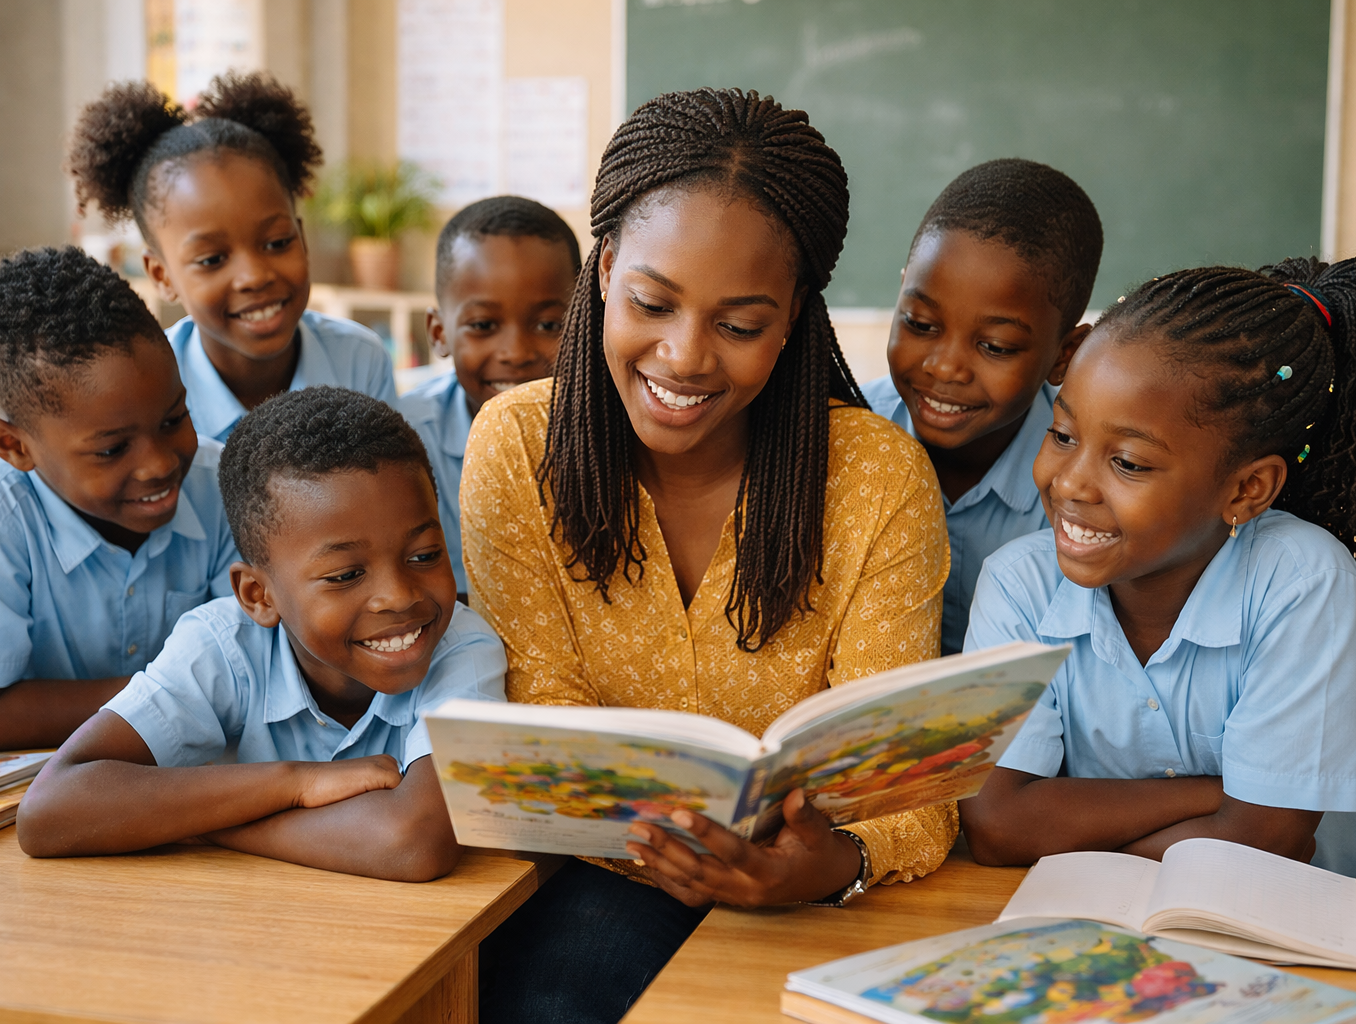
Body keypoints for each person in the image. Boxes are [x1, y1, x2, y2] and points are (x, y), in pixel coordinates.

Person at [463, 88, 950, 1023]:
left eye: (739, 325)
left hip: (814, 895)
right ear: (606, 269)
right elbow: (542, 721)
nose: (685, 357)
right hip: (601, 882)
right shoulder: (518, 447)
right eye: (653, 303)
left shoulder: (878, 479)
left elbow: (907, 795)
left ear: (794, 315)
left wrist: (829, 864)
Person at [960, 254, 1356, 880]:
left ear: (1247, 489)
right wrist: (1221, 795)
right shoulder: (1018, 585)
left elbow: (1267, 842)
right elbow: (995, 824)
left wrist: (1068, 837)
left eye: (1128, 463)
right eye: (1063, 435)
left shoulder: (1306, 585)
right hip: (1105, 917)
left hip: (1311, 908)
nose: (1069, 483)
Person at [16, 387, 506, 881]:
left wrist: (202, 821)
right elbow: (49, 810)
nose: (399, 597)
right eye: (345, 575)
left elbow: (415, 843)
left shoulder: (462, 649)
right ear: (258, 596)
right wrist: (294, 783)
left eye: (424, 556)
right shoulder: (221, 647)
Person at [0, 246, 237, 752]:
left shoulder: (221, 486)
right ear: (14, 446)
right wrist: (177, 694)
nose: (159, 464)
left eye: (173, 419)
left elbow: (255, 662)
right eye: (112, 449)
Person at [67, 73, 396, 442]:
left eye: (277, 243)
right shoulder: (143, 393)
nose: (254, 276)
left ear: (302, 238)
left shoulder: (358, 364)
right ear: (162, 276)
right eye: (212, 260)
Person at [864, 159, 1101, 654]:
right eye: (920, 323)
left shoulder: (1086, 489)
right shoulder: (843, 437)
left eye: (995, 346)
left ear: (1064, 355)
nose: (945, 367)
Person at [399, 195, 580, 599]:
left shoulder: (624, 430)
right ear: (439, 333)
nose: (515, 353)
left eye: (549, 325)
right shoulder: (404, 441)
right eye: (483, 325)